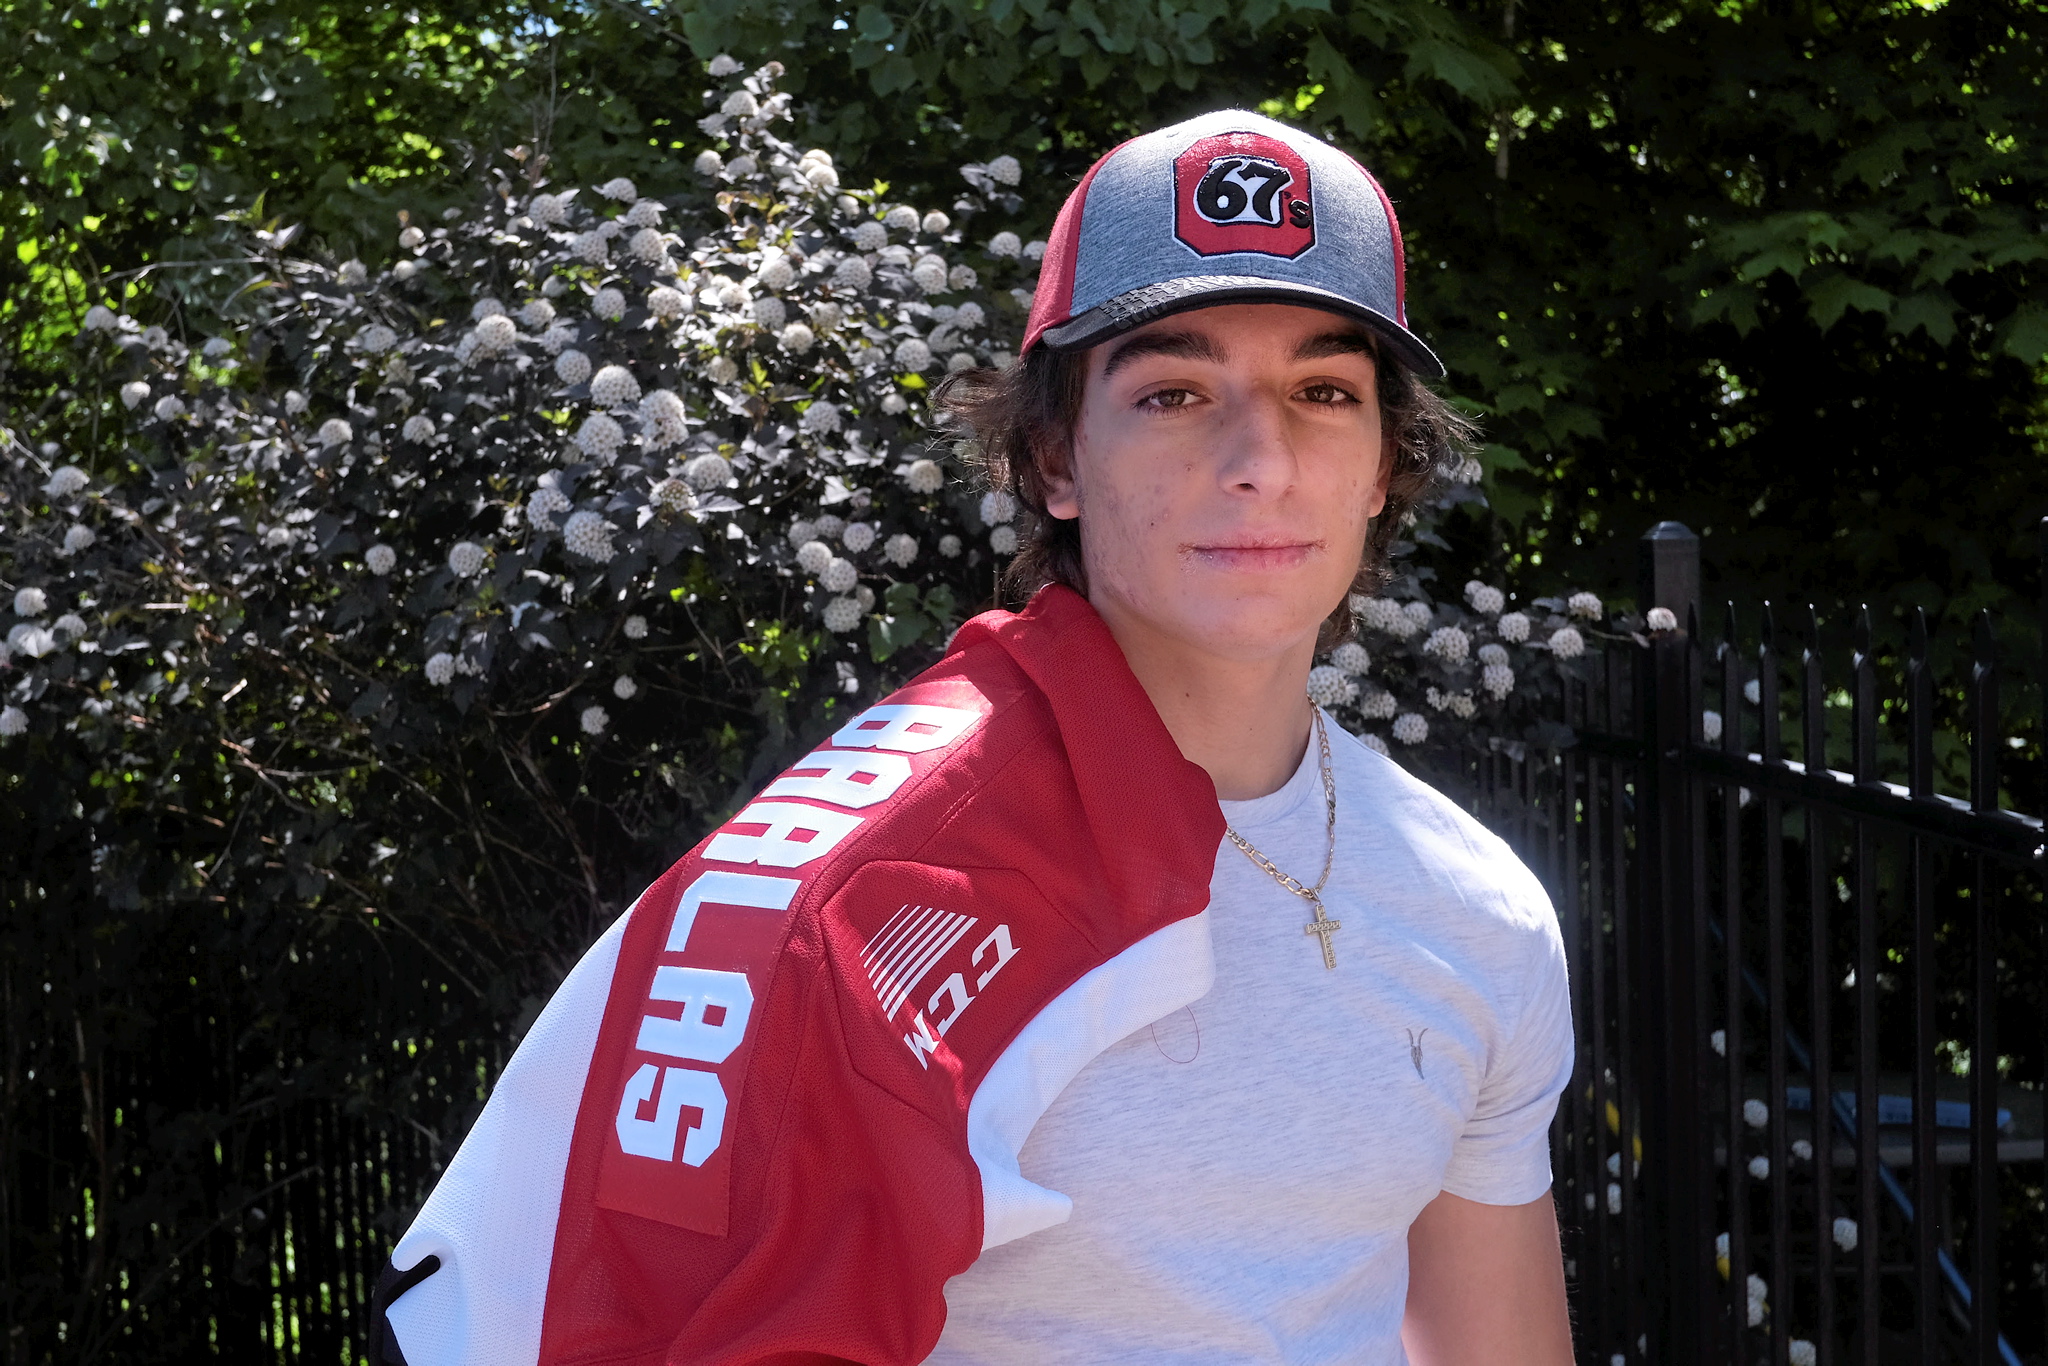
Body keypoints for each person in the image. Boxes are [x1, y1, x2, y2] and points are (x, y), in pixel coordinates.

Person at [373, 110, 1576, 1366]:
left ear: (1382, 463)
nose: (1260, 462)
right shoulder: (859, 897)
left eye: (1322, 392)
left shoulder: (1475, 907)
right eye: (1172, 393)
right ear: (1053, 459)